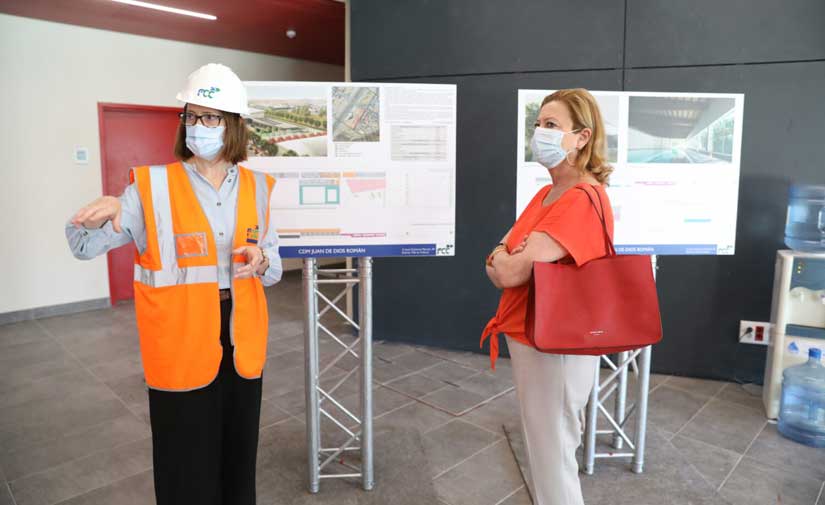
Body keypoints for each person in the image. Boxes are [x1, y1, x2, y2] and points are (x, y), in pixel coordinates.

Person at [66, 63, 282, 505]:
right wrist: (100, 214)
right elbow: (83, 247)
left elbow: (274, 268)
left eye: (210, 118)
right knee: (185, 463)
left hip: (241, 338)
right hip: (180, 340)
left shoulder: (259, 188)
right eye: (190, 116)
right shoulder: (151, 187)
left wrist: (260, 260)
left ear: (235, 126)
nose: (196, 127)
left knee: (239, 459)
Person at [480, 88, 615, 505]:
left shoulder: (580, 200)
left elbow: (507, 268)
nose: (540, 132)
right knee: (544, 451)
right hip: (532, 337)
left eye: (552, 126)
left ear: (582, 137)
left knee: (553, 456)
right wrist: (504, 256)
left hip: (556, 345)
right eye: (538, 124)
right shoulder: (546, 195)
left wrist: (505, 256)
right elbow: (497, 260)